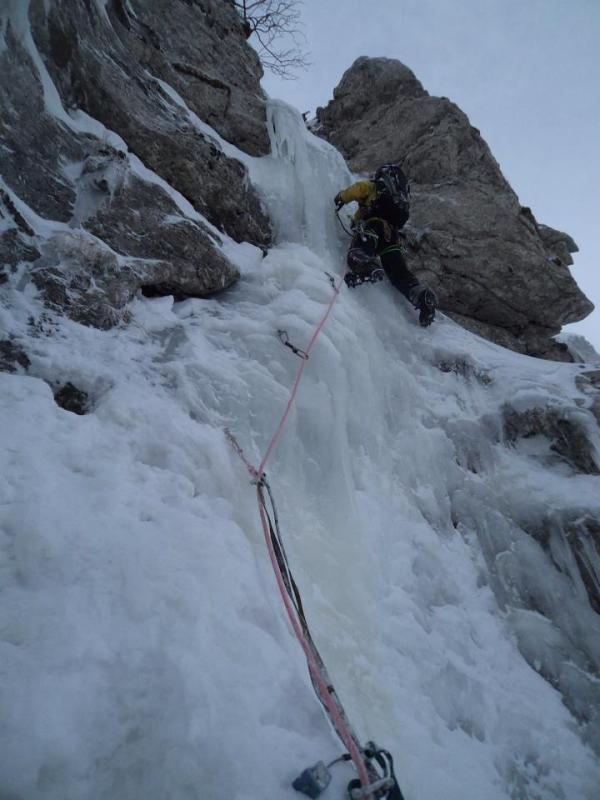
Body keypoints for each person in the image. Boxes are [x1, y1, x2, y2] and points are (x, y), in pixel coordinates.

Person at [334, 164, 438, 327]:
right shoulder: (396, 200)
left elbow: (358, 189)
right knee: (397, 271)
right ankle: (420, 295)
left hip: (374, 226)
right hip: (393, 236)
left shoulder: (375, 186)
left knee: (360, 249)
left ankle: (366, 265)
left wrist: (341, 197)